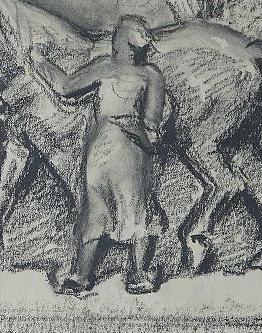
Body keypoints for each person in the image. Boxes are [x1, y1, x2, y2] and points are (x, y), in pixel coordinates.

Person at [29, 15, 167, 295]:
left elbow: (65, 87)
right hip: (130, 148)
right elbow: (152, 123)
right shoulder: (152, 75)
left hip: (100, 149)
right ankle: (139, 275)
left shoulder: (104, 66)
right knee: (136, 208)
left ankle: (80, 276)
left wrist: (40, 60)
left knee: (95, 209)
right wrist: (149, 140)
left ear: (118, 43)